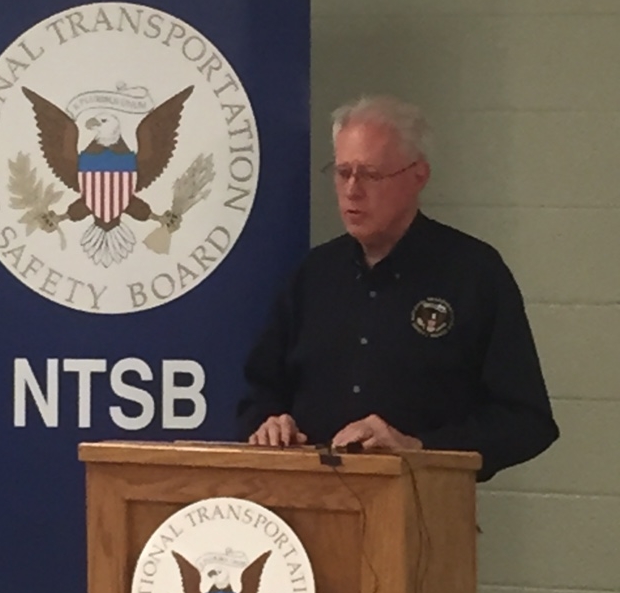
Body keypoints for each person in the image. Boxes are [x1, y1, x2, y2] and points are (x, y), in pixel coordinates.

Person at [236, 95, 559, 481]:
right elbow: (260, 392)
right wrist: (269, 421)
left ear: (418, 176)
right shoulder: (313, 274)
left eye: (370, 175)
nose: (352, 190)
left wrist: (421, 450)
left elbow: (525, 421)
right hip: (309, 499)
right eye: (342, 172)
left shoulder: (473, 273)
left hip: (421, 501)